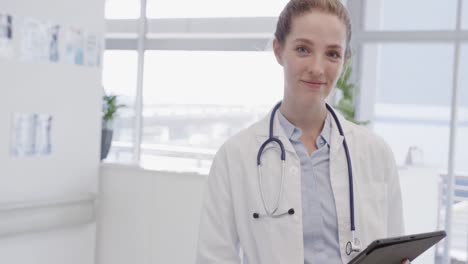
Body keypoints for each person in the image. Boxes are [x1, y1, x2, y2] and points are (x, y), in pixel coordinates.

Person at [196, 0, 409, 263]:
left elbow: (396, 252)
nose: (318, 68)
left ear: (345, 60)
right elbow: (214, 257)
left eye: (332, 54)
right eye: (303, 49)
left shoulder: (375, 153)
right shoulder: (235, 157)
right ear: (278, 50)